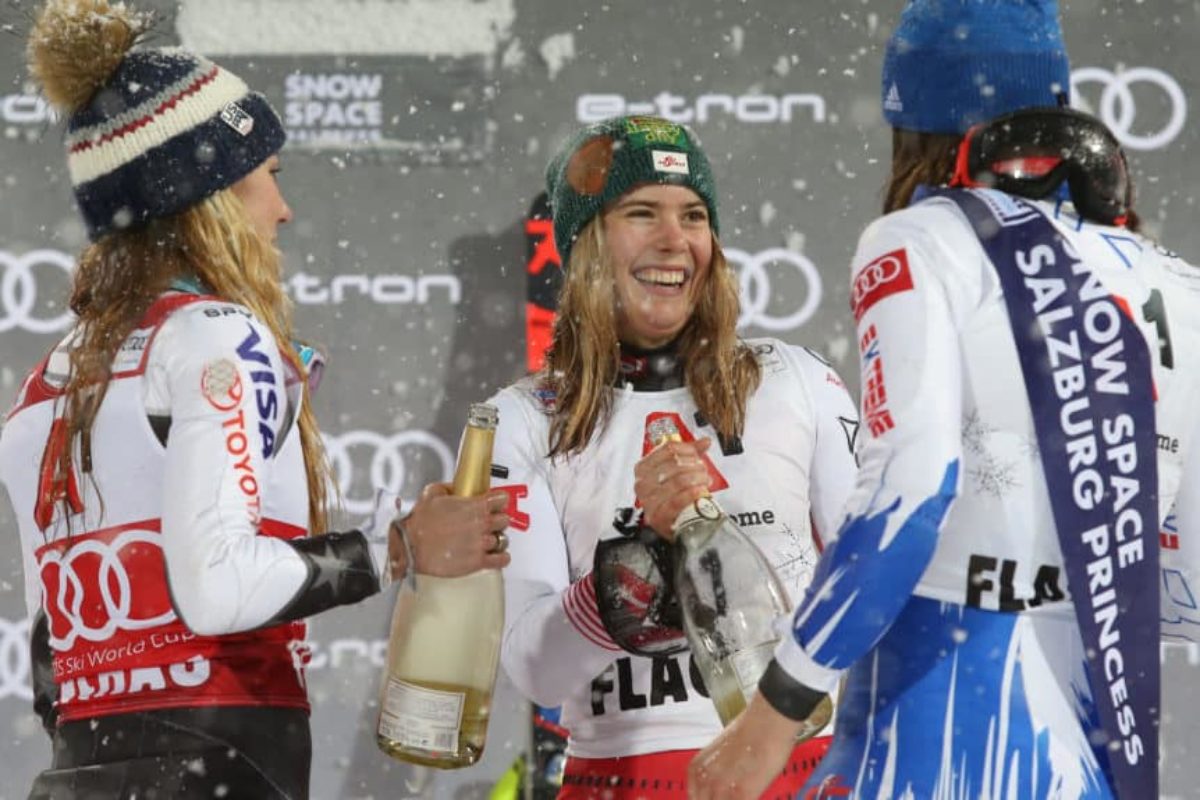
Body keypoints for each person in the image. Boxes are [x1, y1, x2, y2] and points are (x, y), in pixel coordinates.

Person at [689, 1, 1200, 799]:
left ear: (911, 129)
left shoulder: (917, 239)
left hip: (927, 732)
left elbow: (912, 488)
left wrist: (772, 717)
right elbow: (1189, 573)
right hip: (1096, 747)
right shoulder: (1171, 279)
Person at [0, 2, 510, 798]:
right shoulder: (219, 337)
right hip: (222, 772)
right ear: (206, 199)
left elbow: (49, 663)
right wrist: (397, 549)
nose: (282, 210)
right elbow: (217, 587)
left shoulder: (46, 381)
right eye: (266, 177)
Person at [486, 114, 859, 799]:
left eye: (693, 215)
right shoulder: (523, 421)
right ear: (586, 242)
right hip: (626, 777)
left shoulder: (797, 381)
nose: (674, 241)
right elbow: (535, 670)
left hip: (806, 768)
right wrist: (639, 569)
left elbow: (870, 581)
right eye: (641, 213)